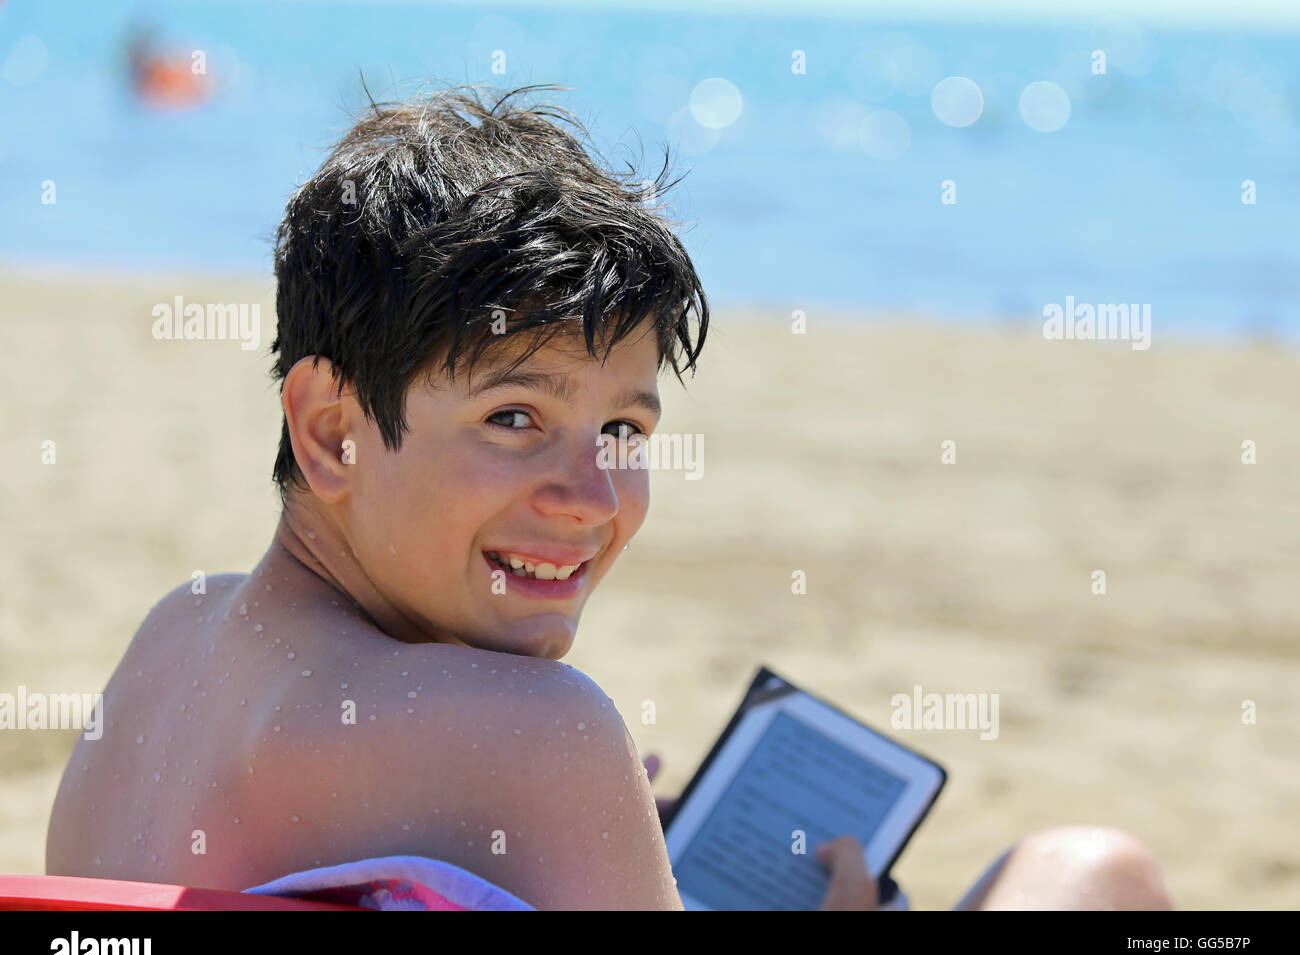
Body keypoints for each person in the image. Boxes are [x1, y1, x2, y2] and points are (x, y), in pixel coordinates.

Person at [46, 84, 1173, 911]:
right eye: (514, 418)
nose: (592, 499)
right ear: (332, 429)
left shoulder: (172, 636)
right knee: (1095, 874)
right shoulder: (544, 733)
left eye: (623, 430)